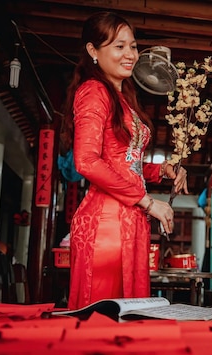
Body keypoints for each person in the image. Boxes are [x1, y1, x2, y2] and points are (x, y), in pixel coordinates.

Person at [60, 11, 188, 310]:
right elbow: (87, 162)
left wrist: (163, 170)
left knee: (128, 313)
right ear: (93, 51)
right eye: (119, 46)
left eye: (132, 45)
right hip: (107, 224)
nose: (130, 54)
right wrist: (147, 201)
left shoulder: (122, 97)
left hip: (128, 219)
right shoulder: (93, 92)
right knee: (106, 318)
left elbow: (122, 162)